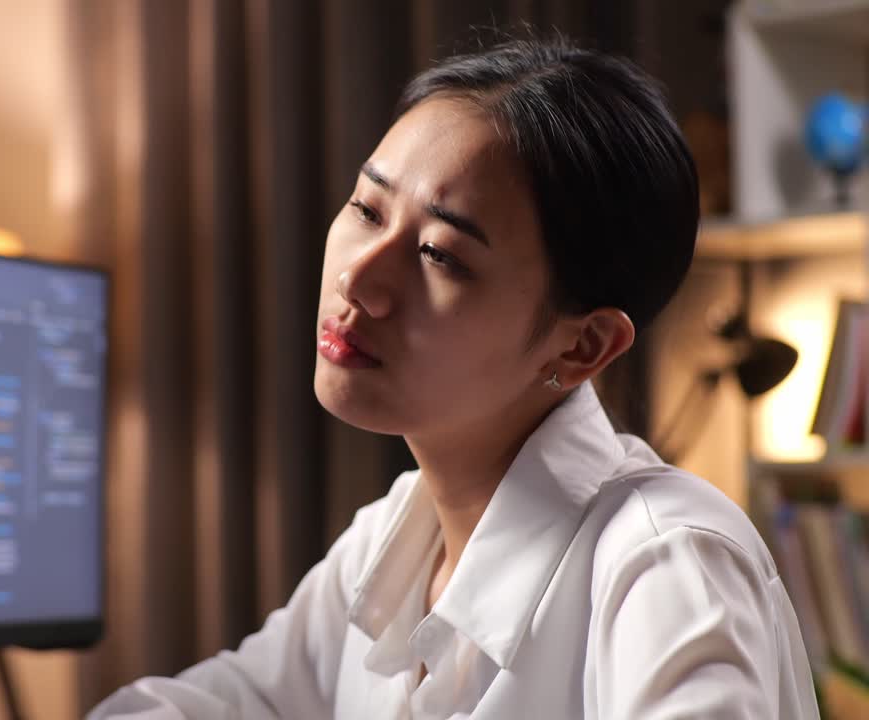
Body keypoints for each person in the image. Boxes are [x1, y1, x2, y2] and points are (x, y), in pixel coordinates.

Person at [89, 38, 819, 719]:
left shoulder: (667, 565)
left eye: (440, 254)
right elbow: (222, 704)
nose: (358, 279)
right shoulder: (392, 541)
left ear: (584, 345)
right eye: (367, 208)